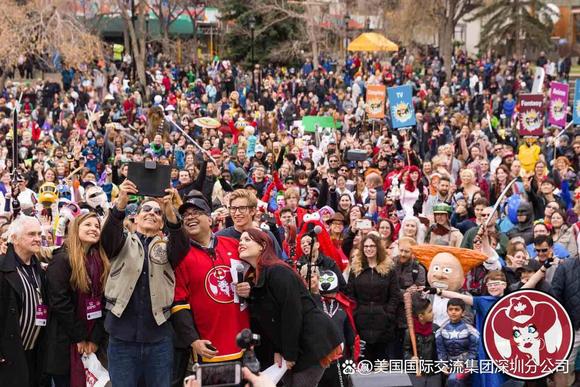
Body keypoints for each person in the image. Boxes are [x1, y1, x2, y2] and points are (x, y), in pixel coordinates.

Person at [235, 228, 342, 387]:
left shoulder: (278, 270)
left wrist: (289, 354)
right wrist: (279, 350)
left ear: (263, 246)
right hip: (294, 343)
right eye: (240, 240)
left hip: (312, 341)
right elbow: (272, 319)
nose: (241, 243)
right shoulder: (258, 276)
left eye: (247, 239)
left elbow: (291, 312)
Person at [101, 180, 183, 387]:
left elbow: (181, 247)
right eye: (146, 209)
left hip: (159, 339)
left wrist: (170, 211)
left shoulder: (167, 246)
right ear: (135, 217)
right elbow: (108, 237)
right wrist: (120, 204)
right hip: (121, 338)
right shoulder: (122, 241)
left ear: (162, 223)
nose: (152, 214)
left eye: (157, 213)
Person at [170, 197, 250, 386]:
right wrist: (193, 341)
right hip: (210, 349)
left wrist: (251, 288)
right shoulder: (180, 255)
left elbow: (257, 278)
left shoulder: (234, 245)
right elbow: (178, 303)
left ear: (210, 219)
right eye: (185, 215)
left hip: (246, 344)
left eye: (196, 213)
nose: (190, 218)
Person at [44, 212, 110, 387]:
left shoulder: (100, 261)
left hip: (92, 340)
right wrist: (79, 337)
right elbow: (59, 302)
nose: (94, 229)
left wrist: (94, 339)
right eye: (88, 225)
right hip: (65, 341)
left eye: (97, 226)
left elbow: (104, 302)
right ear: (75, 228)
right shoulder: (62, 259)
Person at [0, 216, 48, 387]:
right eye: (31, 234)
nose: (37, 238)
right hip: (9, 355)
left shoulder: (39, 268)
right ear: (14, 239)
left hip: (34, 352)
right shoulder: (3, 267)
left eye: (39, 234)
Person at [346, 233, 401, 363]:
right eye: (366, 246)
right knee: (364, 364)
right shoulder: (356, 269)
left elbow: (395, 294)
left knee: (381, 364)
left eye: (372, 246)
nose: (369, 249)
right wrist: (356, 312)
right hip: (361, 321)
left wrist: (388, 313)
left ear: (378, 248)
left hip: (383, 323)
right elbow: (350, 294)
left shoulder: (389, 269)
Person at [216, 189, 285, 259]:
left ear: (252, 211)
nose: (237, 213)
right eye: (233, 208)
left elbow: (278, 264)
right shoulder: (219, 238)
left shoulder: (266, 236)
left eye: (242, 208)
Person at [435, 298, 479, 387]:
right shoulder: (440, 331)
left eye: (457, 309)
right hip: (450, 363)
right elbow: (441, 351)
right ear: (447, 311)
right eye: (450, 309)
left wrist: (468, 367)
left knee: (454, 380)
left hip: (468, 364)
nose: (453, 312)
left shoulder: (471, 331)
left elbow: (474, 351)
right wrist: (442, 365)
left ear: (463, 312)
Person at [403, 296, 441, 387]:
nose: (433, 313)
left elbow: (441, 351)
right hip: (416, 372)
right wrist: (411, 358)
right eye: (430, 311)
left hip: (433, 372)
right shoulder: (410, 332)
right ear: (421, 316)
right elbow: (406, 350)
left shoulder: (436, 329)